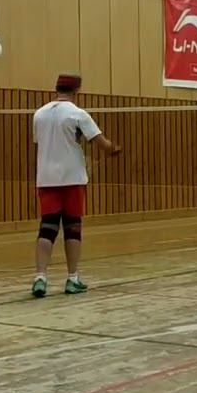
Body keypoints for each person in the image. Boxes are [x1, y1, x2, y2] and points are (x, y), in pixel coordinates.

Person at [31, 73, 120, 298]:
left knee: (47, 227)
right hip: (72, 180)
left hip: (46, 179)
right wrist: (114, 149)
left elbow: (40, 143)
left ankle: (40, 278)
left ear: (56, 88)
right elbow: (102, 144)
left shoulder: (39, 114)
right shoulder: (78, 114)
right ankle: (72, 279)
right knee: (73, 228)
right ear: (77, 90)